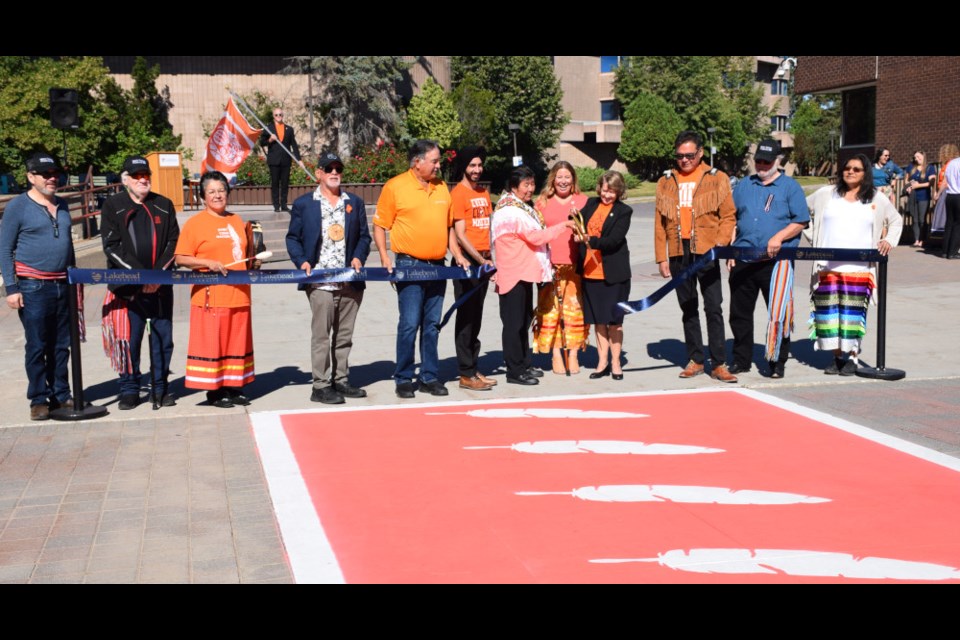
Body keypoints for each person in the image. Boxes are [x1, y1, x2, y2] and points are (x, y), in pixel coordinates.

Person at [374, 139, 462, 399]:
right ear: (417, 162)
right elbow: (380, 225)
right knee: (410, 324)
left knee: (432, 324)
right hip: (409, 265)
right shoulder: (395, 186)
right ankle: (403, 377)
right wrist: (383, 256)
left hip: (438, 266)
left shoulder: (442, 187)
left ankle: (429, 376)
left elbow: (448, 228)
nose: (438, 165)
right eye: (434, 161)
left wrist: (457, 254)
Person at [804, 153, 902, 374]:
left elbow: (896, 220)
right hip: (827, 266)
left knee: (852, 315)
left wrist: (887, 240)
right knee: (829, 315)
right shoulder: (826, 194)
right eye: (847, 168)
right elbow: (800, 212)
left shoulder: (876, 198)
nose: (850, 172)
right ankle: (836, 357)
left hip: (859, 269)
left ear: (865, 173)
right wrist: (814, 237)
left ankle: (853, 357)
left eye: (856, 169)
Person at [287, 152, 371, 404]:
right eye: (329, 168)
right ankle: (320, 385)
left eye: (338, 168)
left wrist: (358, 257)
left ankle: (341, 380)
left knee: (344, 336)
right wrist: (302, 261)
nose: (335, 172)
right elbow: (292, 238)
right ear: (319, 173)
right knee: (322, 336)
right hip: (320, 281)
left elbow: (364, 237)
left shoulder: (353, 202)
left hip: (349, 281)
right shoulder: (304, 204)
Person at [654, 130, 737, 382]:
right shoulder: (665, 181)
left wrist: (720, 245)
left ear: (700, 153)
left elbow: (728, 215)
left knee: (713, 307)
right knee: (687, 307)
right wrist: (661, 257)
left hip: (707, 250)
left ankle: (719, 362)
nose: (685, 160)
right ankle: (696, 359)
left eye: (690, 155)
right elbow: (659, 223)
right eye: (680, 156)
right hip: (680, 252)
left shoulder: (717, 178)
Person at [100, 155, 180, 410]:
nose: (142, 179)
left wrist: (155, 277)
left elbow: (173, 243)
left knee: (162, 340)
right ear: (125, 180)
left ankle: (160, 388)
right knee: (129, 341)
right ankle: (129, 389)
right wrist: (140, 277)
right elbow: (111, 247)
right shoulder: (113, 205)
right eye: (136, 176)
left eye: (146, 175)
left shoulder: (164, 204)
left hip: (159, 288)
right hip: (127, 289)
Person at [0, 152, 75, 421]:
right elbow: (5, 249)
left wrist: (74, 280)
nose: (52, 178)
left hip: (61, 284)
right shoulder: (18, 207)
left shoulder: (63, 206)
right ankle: (38, 399)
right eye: (45, 174)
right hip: (33, 287)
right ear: (30, 177)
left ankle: (61, 394)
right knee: (37, 345)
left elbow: (68, 247)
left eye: (55, 173)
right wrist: (11, 287)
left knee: (61, 344)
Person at [174, 171, 259, 408]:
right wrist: (206, 263)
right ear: (203, 196)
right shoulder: (195, 224)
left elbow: (242, 253)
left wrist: (255, 259)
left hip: (239, 293)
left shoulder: (236, 220)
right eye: (211, 191)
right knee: (215, 343)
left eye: (221, 190)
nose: (217, 195)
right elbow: (181, 257)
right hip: (210, 295)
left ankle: (233, 387)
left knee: (236, 342)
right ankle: (215, 391)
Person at [728, 139, 809, 379]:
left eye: (767, 161)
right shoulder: (744, 185)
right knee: (739, 314)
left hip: (775, 262)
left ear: (777, 162)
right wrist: (731, 249)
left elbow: (801, 221)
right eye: (759, 161)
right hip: (743, 258)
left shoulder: (790, 187)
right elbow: (733, 218)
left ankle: (776, 362)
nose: (762, 165)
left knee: (778, 313)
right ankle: (741, 360)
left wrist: (779, 237)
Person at [490, 165, 577, 386]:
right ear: (513, 187)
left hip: (524, 272)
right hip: (512, 274)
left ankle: (524, 364)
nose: (530, 189)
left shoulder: (521, 206)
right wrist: (564, 226)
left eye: (532, 184)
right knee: (513, 324)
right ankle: (514, 370)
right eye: (525, 185)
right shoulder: (509, 210)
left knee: (523, 321)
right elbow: (535, 237)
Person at [447, 145, 497, 391]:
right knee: (466, 318)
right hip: (468, 262)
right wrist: (480, 259)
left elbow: (486, 228)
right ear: (464, 167)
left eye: (479, 165)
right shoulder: (458, 194)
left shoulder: (483, 193)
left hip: (483, 260)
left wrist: (490, 256)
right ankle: (465, 374)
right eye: (472, 166)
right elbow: (460, 234)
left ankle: (473, 367)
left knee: (476, 317)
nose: (476, 170)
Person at [576, 170, 633, 381]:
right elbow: (576, 218)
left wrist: (588, 239)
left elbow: (614, 240)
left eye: (612, 191)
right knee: (599, 321)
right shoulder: (591, 203)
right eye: (604, 189)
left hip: (614, 274)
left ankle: (616, 362)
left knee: (615, 322)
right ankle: (602, 362)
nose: (606, 195)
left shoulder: (624, 211)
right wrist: (572, 220)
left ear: (619, 191)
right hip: (591, 273)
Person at [533, 161, 589, 375]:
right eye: (559, 177)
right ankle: (556, 353)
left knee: (574, 311)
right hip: (549, 266)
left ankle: (573, 354)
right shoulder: (542, 203)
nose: (563, 181)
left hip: (575, 265)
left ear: (573, 179)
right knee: (550, 312)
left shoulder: (583, 201)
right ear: (553, 180)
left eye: (567, 177)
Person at [259, 107, 304, 212]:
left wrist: (299, 159)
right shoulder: (269, 128)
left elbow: (294, 145)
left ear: (283, 116)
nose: (278, 117)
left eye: (280, 115)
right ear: (273, 116)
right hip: (274, 160)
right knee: (275, 183)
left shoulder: (289, 129)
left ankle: (284, 204)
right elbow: (262, 142)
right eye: (276, 115)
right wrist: (270, 139)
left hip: (286, 160)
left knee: (285, 183)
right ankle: (276, 205)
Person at [903, 150, 937, 248]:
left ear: (923, 156)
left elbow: (931, 182)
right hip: (913, 196)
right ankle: (916, 240)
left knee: (922, 219)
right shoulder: (911, 167)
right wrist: (908, 186)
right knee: (915, 219)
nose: (916, 159)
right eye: (915, 157)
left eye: (918, 157)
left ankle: (922, 240)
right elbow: (906, 180)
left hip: (924, 196)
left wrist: (918, 186)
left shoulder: (930, 168)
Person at [930, 143, 960, 239]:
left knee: (949, 220)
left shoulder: (950, 165)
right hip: (947, 193)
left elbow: (945, 182)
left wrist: (938, 193)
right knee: (949, 221)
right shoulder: (948, 165)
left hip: (948, 192)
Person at [943, 151, 960, 260]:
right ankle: (953, 252)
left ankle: (945, 251)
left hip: (949, 195)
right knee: (958, 225)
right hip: (958, 195)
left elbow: (946, 178)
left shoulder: (951, 163)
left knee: (949, 223)